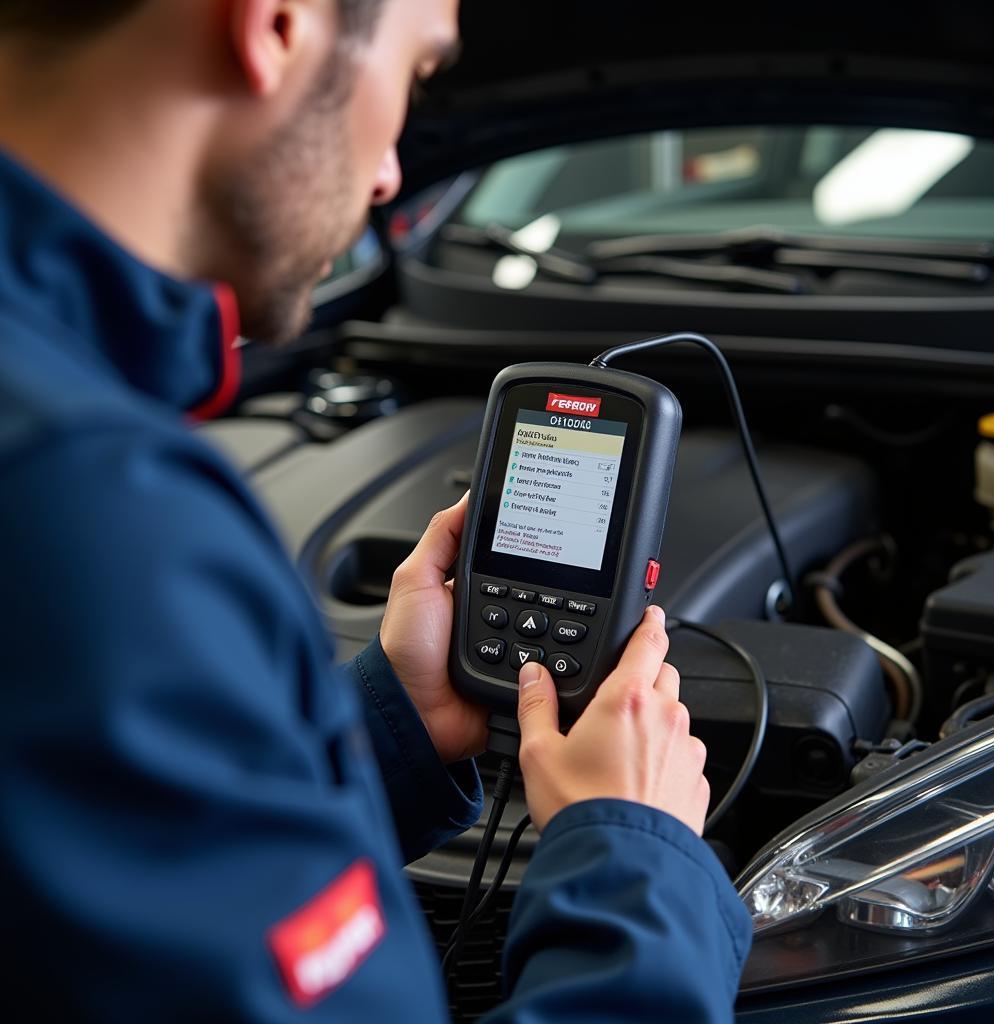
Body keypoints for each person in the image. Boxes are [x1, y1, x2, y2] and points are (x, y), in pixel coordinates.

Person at [0, 0, 752, 1020]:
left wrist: (393, 722)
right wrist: (633, 857)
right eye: (414, 70)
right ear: (275, 25)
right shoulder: (94, 511)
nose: (394, 171)